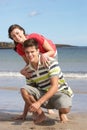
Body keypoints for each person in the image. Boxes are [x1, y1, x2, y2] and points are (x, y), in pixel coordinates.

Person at [15, 39, 73, 124]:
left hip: (60, 92)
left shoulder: (50, 62)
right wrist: (24, 114)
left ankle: (62, 113)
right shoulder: (28, 70)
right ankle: (41, 114)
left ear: (38, 51)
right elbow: (29, 92)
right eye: (27, 52)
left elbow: (54, 87)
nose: (30, 55)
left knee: (65, 108)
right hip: (43, 94)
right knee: (24, 89)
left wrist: (38, 103)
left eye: (32, 52)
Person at [8, 24, 57, 114]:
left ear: (22, 31)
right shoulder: (19, 48)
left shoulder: (34, 36)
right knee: (35, 80)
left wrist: (44, 55)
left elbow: (51, 51)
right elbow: (29, 63)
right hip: (36, 58)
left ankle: (49, 106)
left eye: (17, 33)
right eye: (13, 36)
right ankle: (34, 108)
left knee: (49, 80)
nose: (17, 37)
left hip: (50, 53)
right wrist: (22, 71)